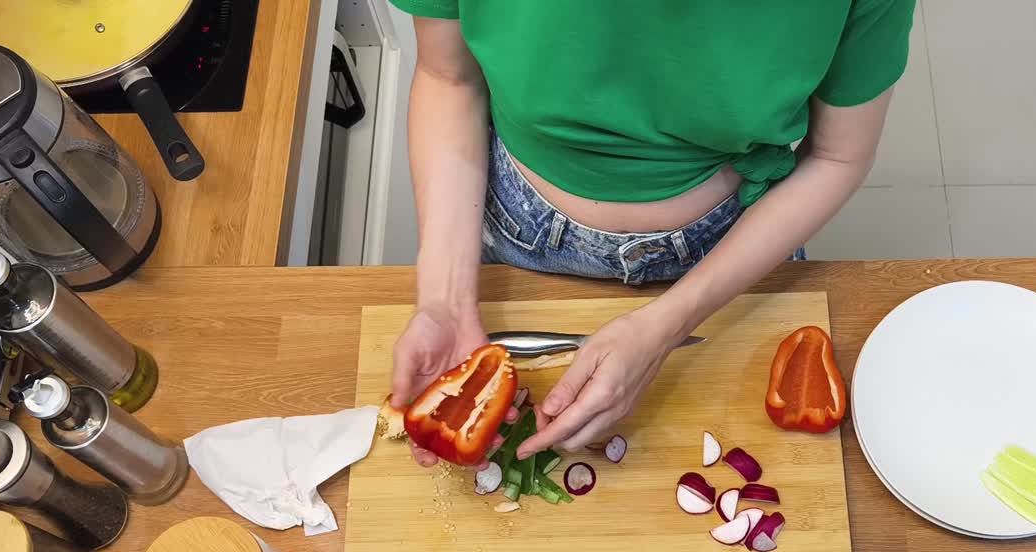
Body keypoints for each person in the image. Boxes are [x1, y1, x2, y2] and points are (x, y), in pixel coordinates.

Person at [389, 1, 915, 466]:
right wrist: (446, 301)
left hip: (736, 241)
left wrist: (668, 324)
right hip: (518, 226)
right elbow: (448, 77)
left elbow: (837, 155)